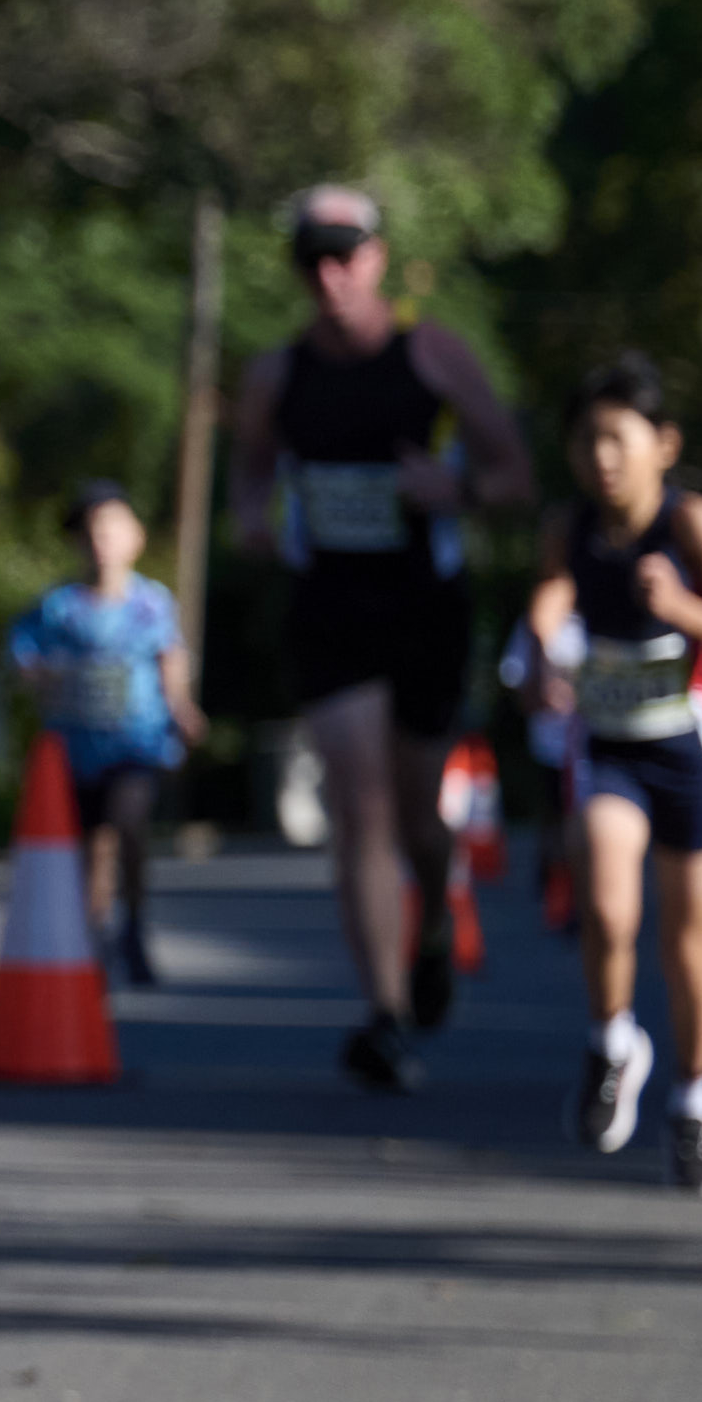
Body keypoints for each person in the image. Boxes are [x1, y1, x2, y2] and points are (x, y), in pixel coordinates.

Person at [226, 183, 535, 1094]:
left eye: (344, 252)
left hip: (421, 607)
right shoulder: (275, 376)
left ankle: (432, 920)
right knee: (355, 804)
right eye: (311, 258)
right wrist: (251, 517)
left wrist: (457, 493)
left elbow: (513, 474)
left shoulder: (430, 354)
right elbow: (247, 477)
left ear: (376, 257)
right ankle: (384, 1013)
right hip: (329, 603)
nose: (328, 273)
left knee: (415, 811)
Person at [519, 358, 702, 1201]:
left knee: (685, 940)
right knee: (602, 904)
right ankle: (610, 1043)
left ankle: (695, 1105)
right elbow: (550, 600)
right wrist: (538, 655)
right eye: (586, 440)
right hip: (607, 746)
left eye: (618, 439)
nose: (602, 459)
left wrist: (683, 608)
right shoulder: (571, 528)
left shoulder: (690, 523)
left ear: (662, 445)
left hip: (683, 751)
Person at [7, 481, 206, 982]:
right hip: (77, 747)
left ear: (134, 537)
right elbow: (23, 657)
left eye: (112, 530)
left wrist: (181, 706)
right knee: (91, 842)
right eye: (92, 532)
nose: (102, 543)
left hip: (137, 740)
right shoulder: (59, 608)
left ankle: (134, 925)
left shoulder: (151, 605)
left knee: (129, 826)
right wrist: (41, 676)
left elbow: (170, 658)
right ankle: (91, 937)